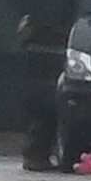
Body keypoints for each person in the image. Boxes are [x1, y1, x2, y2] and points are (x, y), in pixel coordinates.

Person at [18, 14, 67, 172]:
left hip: (43, 84)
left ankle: (36, 155)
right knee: (44, 116)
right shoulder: (37, 45)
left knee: (44, 117)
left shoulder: (36, 44)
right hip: (42, 86)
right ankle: (35, 156)